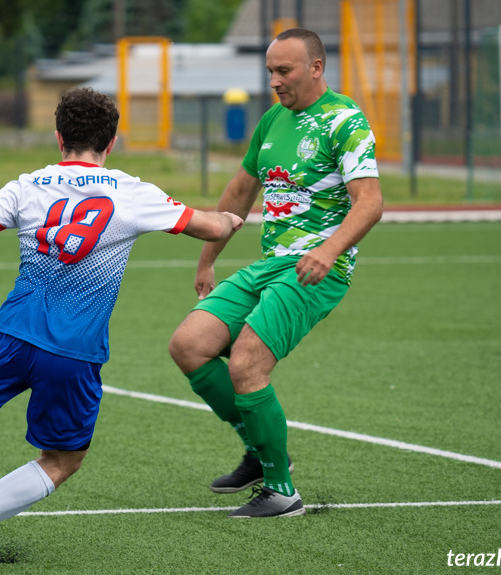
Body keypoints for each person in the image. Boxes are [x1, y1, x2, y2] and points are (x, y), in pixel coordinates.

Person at [0, 87, 243, 563]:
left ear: (58, 137)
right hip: (73, 353)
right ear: (111, 143)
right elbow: (210, 227)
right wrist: (231, 218)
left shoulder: (27, 185)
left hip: (12, 334)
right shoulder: (133, 192)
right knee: (62, 460)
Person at [168, 28, 383, 518]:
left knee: (246, 363)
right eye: (270, 71)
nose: (274, 81)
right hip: (270, 265)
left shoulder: (344, 121)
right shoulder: (271, 121)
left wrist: (329, 251)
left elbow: (370, 203)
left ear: (316, 68)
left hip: (315, 270)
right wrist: (207, 258)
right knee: (189, 344)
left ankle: (282, 492)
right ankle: (260, 451)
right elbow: (240, 193)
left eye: (283, 71)